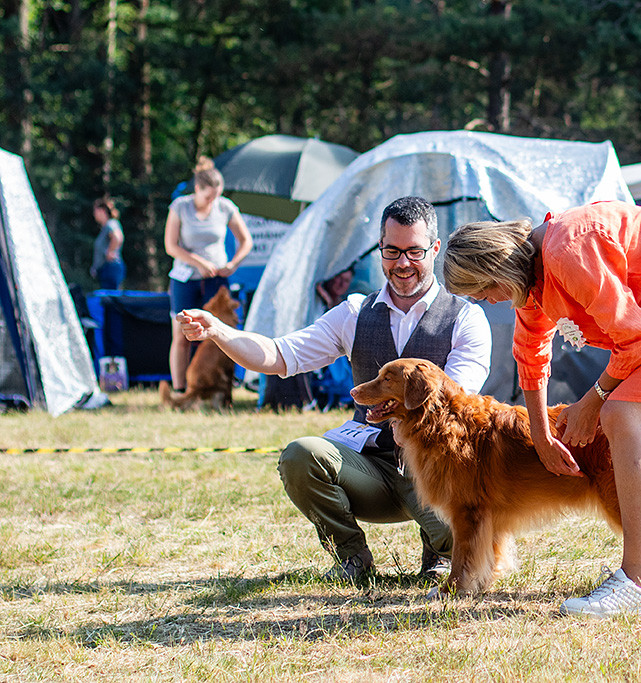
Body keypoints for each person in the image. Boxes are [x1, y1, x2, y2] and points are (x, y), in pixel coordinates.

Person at [442, 200, 641, 618]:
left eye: (482, 290)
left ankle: (637, 581)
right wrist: (542, 436)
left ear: (496, 269)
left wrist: (591, 401)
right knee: (637, 427)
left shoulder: (565, 251)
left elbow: (637, 338)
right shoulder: (533, 279)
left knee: (621, 417)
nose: (488, 302)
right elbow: (530, 355)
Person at [174, 197, 492, 581]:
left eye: (413, 252)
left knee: (444, 461)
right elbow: (278, 355)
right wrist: (218, 331)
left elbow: (452, 401)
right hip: (370, 467)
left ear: (434, 250)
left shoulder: (467, 318)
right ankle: (352, 558)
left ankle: (442, 555)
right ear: (380, 249)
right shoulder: (354, 313)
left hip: (432, 465)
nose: (402, 263)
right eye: (391, 251)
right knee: (300, 455)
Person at [163, 156, 253, 394]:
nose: (213, 201)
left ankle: (221, 387)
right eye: (208, 196)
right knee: (182, 335)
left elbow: (246, 241)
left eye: (216, 195)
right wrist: (197, 262)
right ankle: (180, 388)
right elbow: (171, 246)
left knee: (220, 334)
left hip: (216, 280)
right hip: (185, 278)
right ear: (197, 189)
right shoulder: (180, 207)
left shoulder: (225, 207)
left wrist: (233, 264)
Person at [90, 197, 125, 290]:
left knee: (110, 300)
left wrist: (110, 252)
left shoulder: (111, 223)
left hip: (110, 269)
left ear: (102, 210)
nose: (94, 214)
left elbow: (118, 237)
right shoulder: (105, 228)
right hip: (106, 270)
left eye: (95, 211)